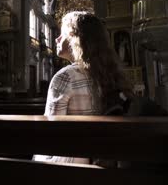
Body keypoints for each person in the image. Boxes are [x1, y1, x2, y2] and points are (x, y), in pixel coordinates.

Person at [33, 11, 134, 164]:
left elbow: (50, 133)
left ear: (77, 39)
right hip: (102, 159)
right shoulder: (111, 74)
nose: (57, 38)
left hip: (70, 163)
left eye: (62, 34)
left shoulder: (65, 77)